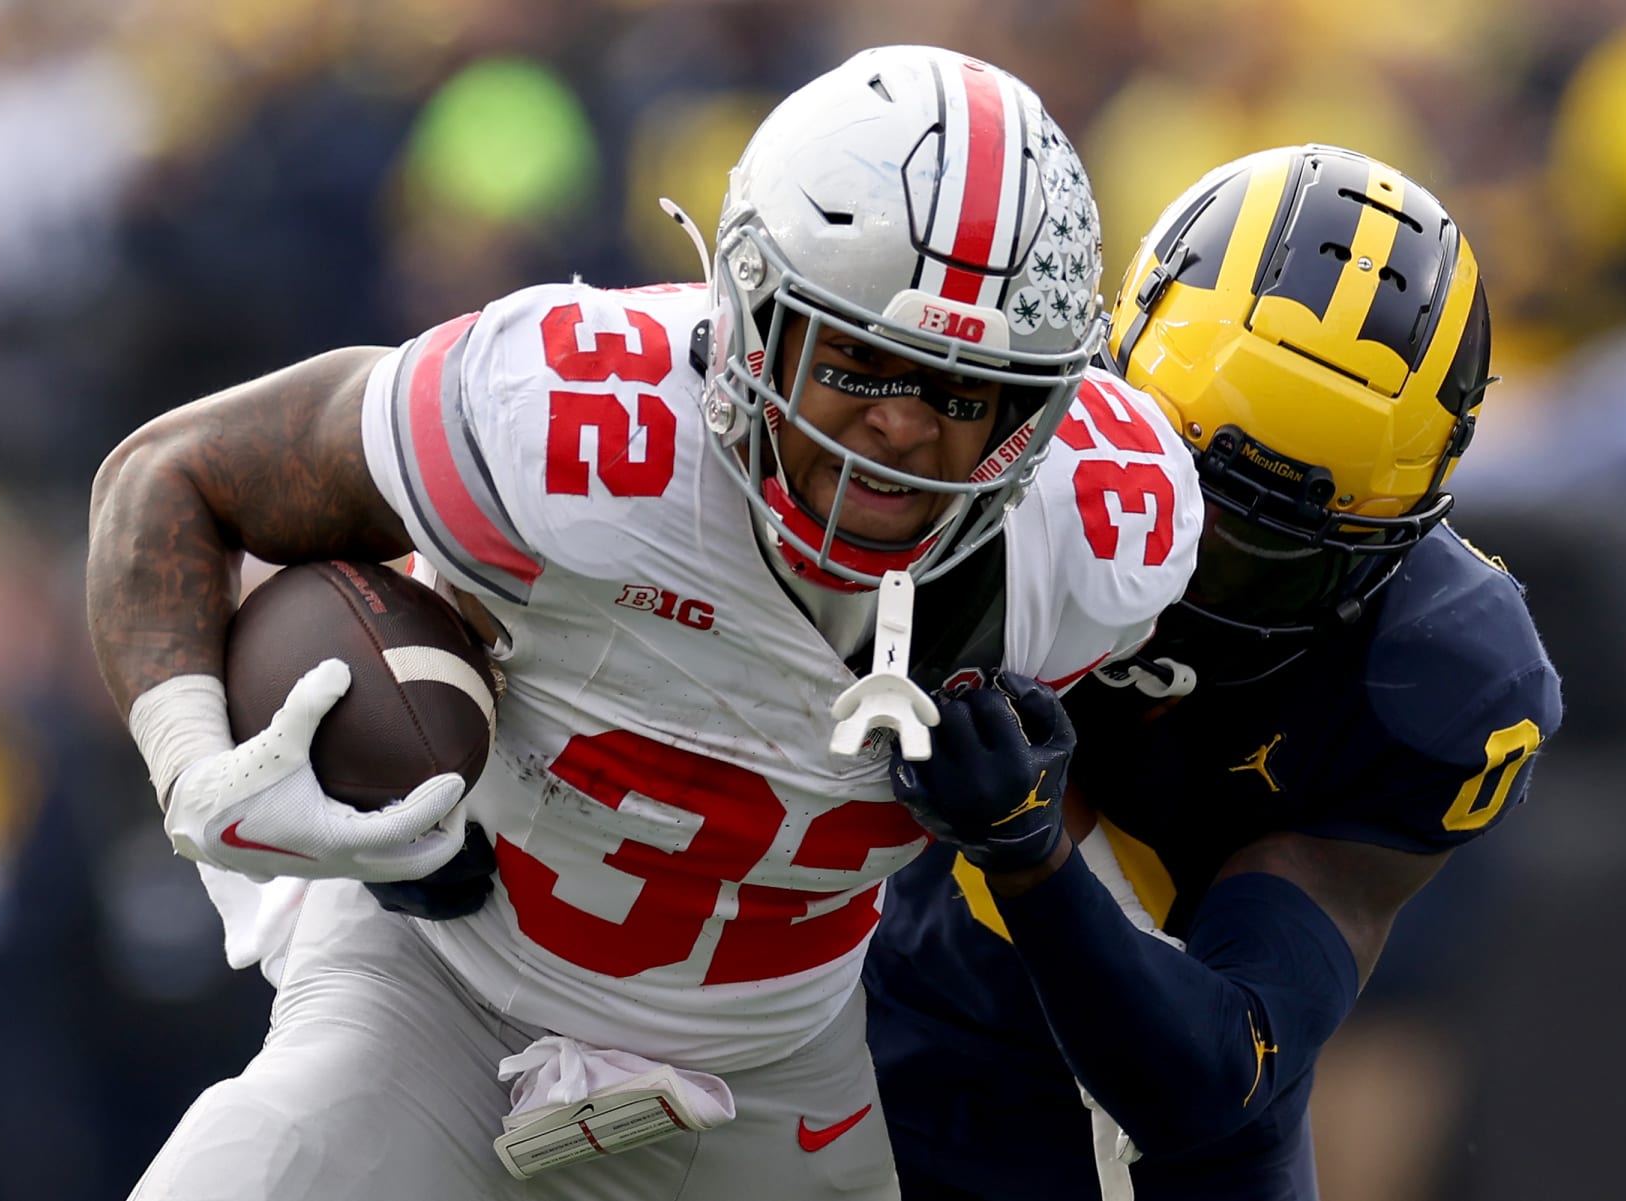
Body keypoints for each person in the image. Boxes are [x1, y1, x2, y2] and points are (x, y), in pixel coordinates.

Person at [84, 45, 1202, 1201]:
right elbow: (174, 473)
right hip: (442, 995)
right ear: (755, 313)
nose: (905, 426)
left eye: (964, 387)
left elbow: (1155, 800)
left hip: (778, 1075)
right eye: (862, 361)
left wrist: (1105, 938)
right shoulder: (567, 422)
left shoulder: (1099, 534)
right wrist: (192, 759)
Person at [864, 144, 1565, 1201]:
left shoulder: (1435, 677)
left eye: (1267, 552)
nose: (1187, 571)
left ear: (1396, 537)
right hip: (875, 1014)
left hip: (1151, 1141)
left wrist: (1031, 856)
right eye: (1173, 494)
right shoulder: (979, 446)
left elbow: (1219, 1075)